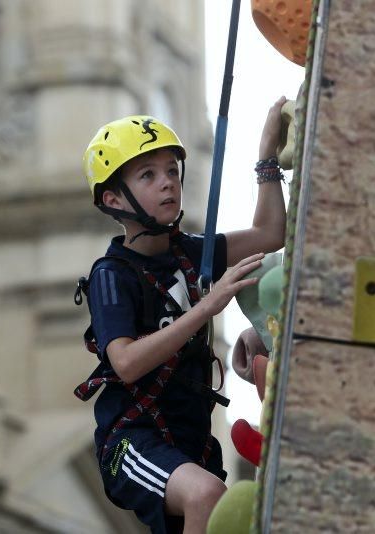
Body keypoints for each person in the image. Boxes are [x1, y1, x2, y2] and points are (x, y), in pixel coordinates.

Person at [73, 98, 288, 534]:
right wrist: (209, 306)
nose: (168, 183)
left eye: (172, 170)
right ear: (114, 198)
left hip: (190, 440)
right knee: (208, 496)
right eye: (148, 175)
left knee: (228, 512)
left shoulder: (193, 252)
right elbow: (127, 362)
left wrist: (267, 158)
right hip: (132, 440)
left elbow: (270, 234)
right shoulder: (111, 275)